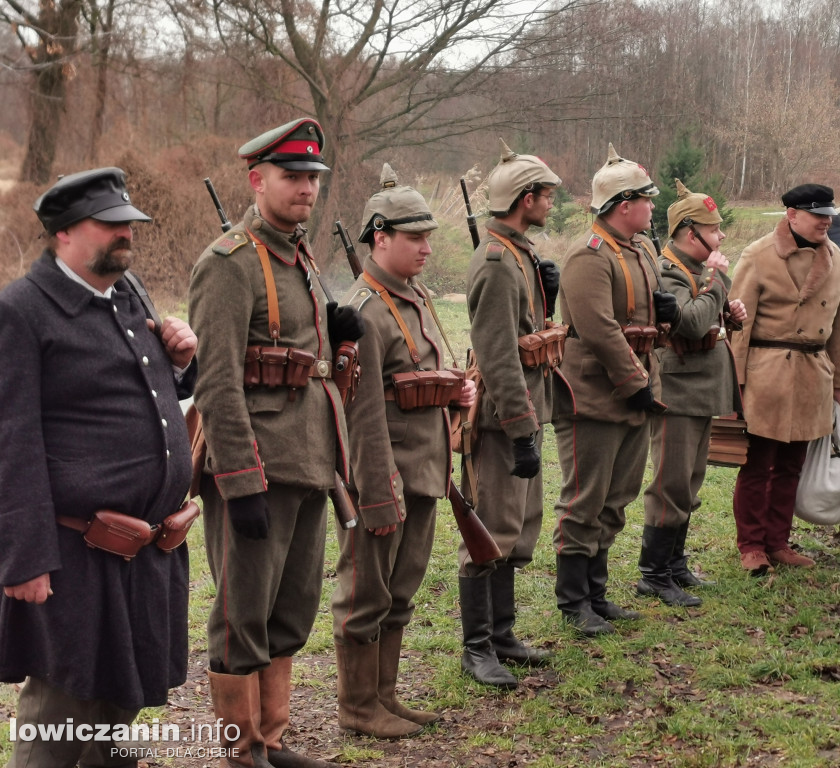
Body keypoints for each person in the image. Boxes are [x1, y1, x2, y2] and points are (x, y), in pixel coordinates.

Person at [0, 167, 197, 768]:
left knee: (122, 703)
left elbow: (142, 389)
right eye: (109, 225)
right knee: (60, 712)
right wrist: (25, 558)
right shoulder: (21, 311)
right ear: (63, 233)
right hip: (73, 552)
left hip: (145, 546)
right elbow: (11, 442)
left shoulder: (125, 288)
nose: (125, 234)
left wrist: (182, 362)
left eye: (128, 223)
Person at [189, 118, 362, 768]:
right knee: (243, 617)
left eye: (313, 179)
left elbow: (300, 355)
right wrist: (239, 481)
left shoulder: (299, 255)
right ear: (257, 180)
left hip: (309, 460)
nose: (307, 190)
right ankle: (241, 751)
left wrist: (337, 330)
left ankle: (271, 738)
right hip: (257, 469)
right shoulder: (229, 263)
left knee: (291, 610)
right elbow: (218, 382)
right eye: (293, 177)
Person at [332, 164, 476, 737]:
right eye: (413, 237)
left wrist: (456, 389)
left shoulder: (414, 298)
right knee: (365, 594)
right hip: (385, 478)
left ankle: (384, 697)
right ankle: (356, 707)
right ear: (379, 238)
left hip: (423, 473)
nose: (425, 247)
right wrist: (376, 491)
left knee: (401, 590)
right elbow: (362, 415)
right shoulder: (366, 311)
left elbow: (422, 376)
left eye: (428, 236)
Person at [552, 144, 678, 636]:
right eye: (646, 199)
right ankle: (573, 601)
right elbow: (600, 329)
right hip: (594, 396)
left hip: (633, 390)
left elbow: (636, 318)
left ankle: (597, 595)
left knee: (617, 496)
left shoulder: (640, 250)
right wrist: (636, 384)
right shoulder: (588, 255)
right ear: (624, 204)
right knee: (584, 500)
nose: (652, 207)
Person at [461, 139, 565, 687]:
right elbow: (498, 354)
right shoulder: (499, 263)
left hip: (524, 412)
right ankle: (476, 648)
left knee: (518, 530)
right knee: (489, 531)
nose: (550, 204)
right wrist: (523, 430)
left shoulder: (519, 254)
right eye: (546, 196)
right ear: (525, 198)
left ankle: (501, 635)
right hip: (506, 420)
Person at [729, 183, 840, 577]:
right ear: (792, 215)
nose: (826, 221)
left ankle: (777, 542)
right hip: (767, 375)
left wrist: (839, 385)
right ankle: (751, 545)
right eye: (818, 215)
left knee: (792, 465)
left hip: (814, 374)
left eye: (828, 214)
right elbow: (737, 326)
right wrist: (736, 382)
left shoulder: (836, 258)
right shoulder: (759, 255)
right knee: (758, 463)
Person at [637, 180, 745, 606]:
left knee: (689, 482)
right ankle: (654, 573)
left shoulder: (694, 271)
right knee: (670, 483)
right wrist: (717, 280)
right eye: (714, 230)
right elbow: (692, 323)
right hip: (677, 391)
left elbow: (708, 318)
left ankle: (675, 565)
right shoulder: (667, 272)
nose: (720, 238)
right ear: (689, 232)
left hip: (697, 391)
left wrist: (729, 313)